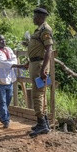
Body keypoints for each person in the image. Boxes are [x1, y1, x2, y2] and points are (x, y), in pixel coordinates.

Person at [13, 7, 53, 136]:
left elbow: (48, 50)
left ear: (40, 17)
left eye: (35, 16)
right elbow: (37, 49)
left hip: (39, 65)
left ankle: (42, 124)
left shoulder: (45, 29)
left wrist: (43, 69)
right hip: (35, 64)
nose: (33, 18)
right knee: (40, 93)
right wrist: (28, 62)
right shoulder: (39, 30)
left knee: (37, 94)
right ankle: (44, 122)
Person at [0, 35, 17, 128]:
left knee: (8, 99)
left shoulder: (8, 49)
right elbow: (3, 63)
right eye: (1, 40)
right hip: (0, 80)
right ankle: (6, 120)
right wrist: (13, 63)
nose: (3, 41)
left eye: (4, 39)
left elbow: (15, 59)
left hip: (9, 78)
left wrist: (11, 62)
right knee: (2, 102)